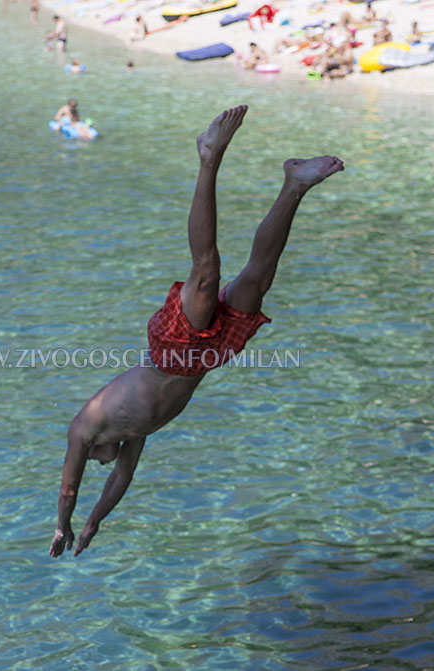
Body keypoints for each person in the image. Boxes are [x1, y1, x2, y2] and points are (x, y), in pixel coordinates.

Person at [48, 105, 344, 558]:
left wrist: (62, 525)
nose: (105, 462)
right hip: (208, 357)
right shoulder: (132, 430)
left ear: (93, 452)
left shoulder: (84, 430)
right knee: (257, 279)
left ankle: (209, 155)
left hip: (170, 352)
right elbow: (122, 480)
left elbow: (70, 488)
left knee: (206, 271)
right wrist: (93, 524)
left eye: (96, 460)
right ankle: (295, 184)